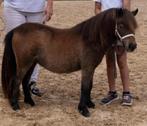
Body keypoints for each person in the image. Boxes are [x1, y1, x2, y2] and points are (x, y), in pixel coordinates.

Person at [3, 0, 53, 96]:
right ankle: (12, 85)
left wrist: (50, 4)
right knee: (14, 48)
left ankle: (31, 83)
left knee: (36, 48)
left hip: (38, 9)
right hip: (13, 7)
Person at [94, 0, 133, 106]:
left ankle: (126, 92)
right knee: (110, 61)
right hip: (106, 29)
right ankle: (112, 92)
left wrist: (118, 22)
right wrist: (105, 20)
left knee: (121, 60)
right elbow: (97, 8)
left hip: (120, 28)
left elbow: (126, 8)